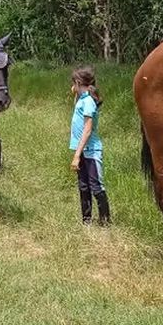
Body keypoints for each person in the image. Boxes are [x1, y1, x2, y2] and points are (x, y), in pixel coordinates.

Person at [69, 65, 110, 226]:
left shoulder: (88, 102)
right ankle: (86, 221)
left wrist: (76, 155)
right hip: (82, 151)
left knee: (96, 186)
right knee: (83, 186)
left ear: (78, 83)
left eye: (74, 83)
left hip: (91, 151)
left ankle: (105, 221)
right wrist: (76, 92)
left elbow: (87, 130)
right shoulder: (82, 100)